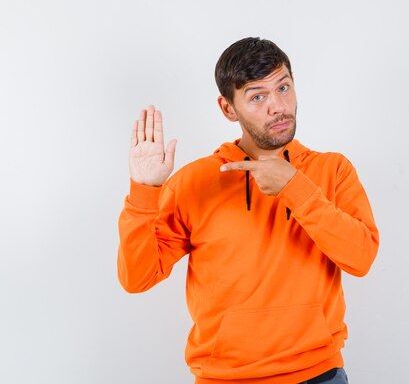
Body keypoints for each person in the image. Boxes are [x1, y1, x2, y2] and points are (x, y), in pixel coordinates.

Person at [117, 37, 379, 384]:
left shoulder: (332, 170)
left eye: (284, 87)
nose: (278, 106)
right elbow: (137, 278)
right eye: (258, 96)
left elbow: (361, 258)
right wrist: (145, 192)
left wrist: (295, 189)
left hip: (319, 373)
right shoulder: (195, 182)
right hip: (225, 378)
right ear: (228, 109)